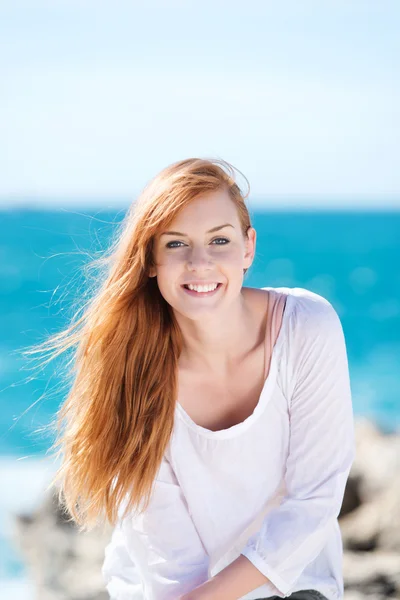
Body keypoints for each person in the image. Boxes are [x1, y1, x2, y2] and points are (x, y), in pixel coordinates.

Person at [29, 158, 356, 600]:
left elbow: (313, 502)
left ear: (248, 248)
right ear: (150, 260)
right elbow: (169, 562)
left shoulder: (306, 327)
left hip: (294, 585)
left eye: (219, 239)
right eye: (177, 244)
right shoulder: (130, 369)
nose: (200, 263)